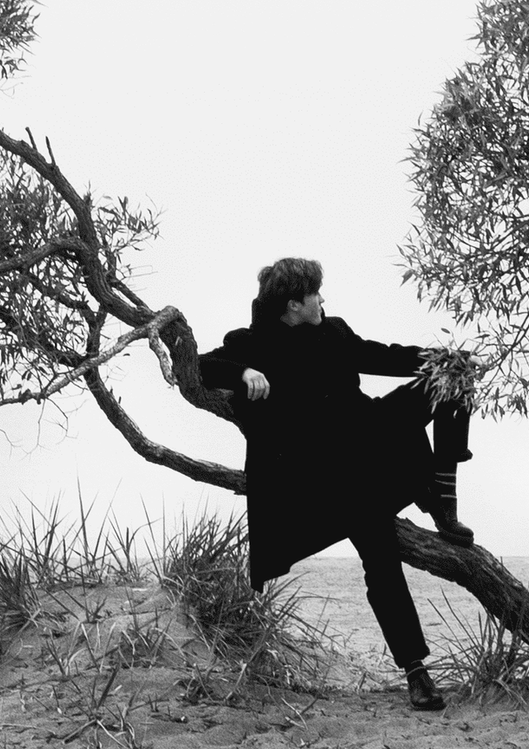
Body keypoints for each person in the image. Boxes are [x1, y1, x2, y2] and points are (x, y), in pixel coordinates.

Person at [195, 256, 475, 714]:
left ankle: (442, 492)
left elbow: (382, 355)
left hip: (371, 439)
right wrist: (242, 372)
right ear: (292, 304)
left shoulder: (336, 332)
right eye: (315, 295)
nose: (323, 300)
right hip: (328, 479)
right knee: (381, 560)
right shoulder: (251, 344)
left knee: (449, 377)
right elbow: (203, 365)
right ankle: (416, 673)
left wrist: (444, 358)